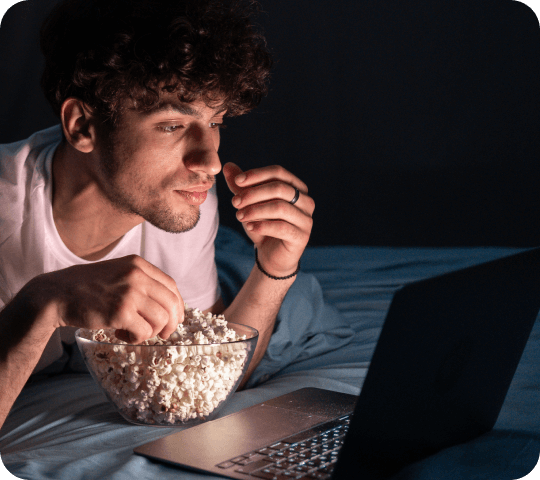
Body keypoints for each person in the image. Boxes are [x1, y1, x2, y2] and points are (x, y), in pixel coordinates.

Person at [0, 0, 314, 430]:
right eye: (172, 126)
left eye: (216, 122)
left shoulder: (183, 200)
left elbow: (207, 369)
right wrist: (43, 302)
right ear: (82, 126)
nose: (210, 163)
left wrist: (274, 268)